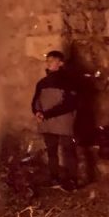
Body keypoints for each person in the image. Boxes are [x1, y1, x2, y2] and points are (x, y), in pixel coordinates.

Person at [32, 50, 79, 190]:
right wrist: (37, 112)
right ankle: (54, 179)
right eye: (47, 60)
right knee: (51, 151)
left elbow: (69, 104)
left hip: (64, 122)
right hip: (47, 122)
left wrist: (47, 114)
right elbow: (35, 101)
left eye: (52, 60)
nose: (48, 63)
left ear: (61, 63)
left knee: (68, 151)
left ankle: (72, 180)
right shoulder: (42, 83)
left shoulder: (69, 82)